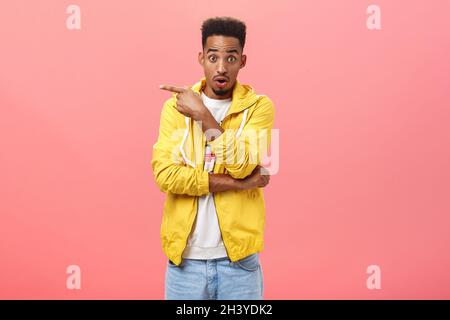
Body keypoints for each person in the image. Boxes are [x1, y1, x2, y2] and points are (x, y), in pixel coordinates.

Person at [151, 16, 275, 300]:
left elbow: (243, 164)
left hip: (239, 264)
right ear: (201, 58)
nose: (221, 67)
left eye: (231, 58)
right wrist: (238, 184)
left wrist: (204, 116)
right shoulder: (175, 108)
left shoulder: (258, 107)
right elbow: (166, 176)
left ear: (242, 61)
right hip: (185, 264)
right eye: (213, 57)